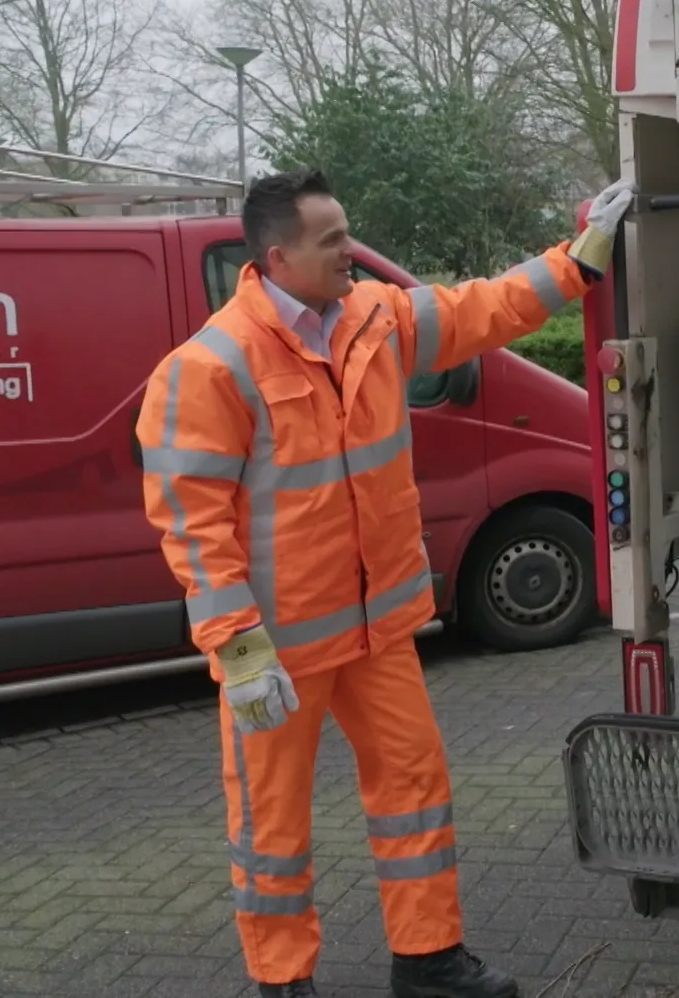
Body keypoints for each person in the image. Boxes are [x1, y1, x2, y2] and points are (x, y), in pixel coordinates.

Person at [134, 168, 635, 998]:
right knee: (272, 825)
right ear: (276, 256)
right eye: (333, 241)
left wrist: (578, 261)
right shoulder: (212, 367)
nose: (351, 254)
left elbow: (484, 308)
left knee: (413, 788)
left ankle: (429, 959)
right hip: (279, 648)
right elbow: (191, 522)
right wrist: (236, 646)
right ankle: (284, 980)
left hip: (377, 629)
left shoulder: (374, 318)